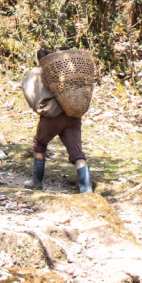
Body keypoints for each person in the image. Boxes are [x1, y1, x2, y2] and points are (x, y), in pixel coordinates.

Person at [20, 46, 91, 193]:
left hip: (53, 116)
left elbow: (32, 94)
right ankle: (86, 188)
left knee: (39, 144)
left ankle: (36, 182)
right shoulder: (71, 70)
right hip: (73, 114)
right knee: (77, 153)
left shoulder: (39, 73)